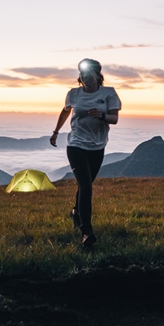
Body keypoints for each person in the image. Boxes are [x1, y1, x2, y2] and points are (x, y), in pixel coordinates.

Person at [50, 59, 121, 249]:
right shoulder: (73, 94)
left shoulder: (109, 93)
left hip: (97, 147)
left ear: (98, 76)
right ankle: (86, 232)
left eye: (90, 75)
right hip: (76, 145)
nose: (86, 78)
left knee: (85, 185)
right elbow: (65, 111)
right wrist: (56, 132)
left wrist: (102, 116)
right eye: (83, 75)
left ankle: (76, 212)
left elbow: (114, 118)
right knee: (86, 186)